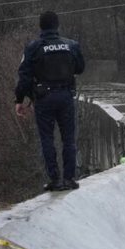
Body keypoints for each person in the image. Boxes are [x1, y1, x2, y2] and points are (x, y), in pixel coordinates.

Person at [14, 11, 85, 191]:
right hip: (66, 96)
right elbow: (80, 67)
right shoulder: (71, 45)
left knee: (47, 139)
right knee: (69, 139)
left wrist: (20, 99)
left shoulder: (33, 47)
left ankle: (54, 179)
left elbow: (24, 75)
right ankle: (69, 179)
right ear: (57, 25)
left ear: (41, 26)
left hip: (44, 98)